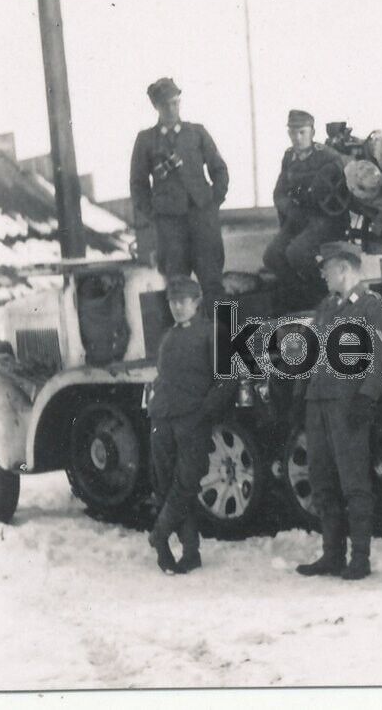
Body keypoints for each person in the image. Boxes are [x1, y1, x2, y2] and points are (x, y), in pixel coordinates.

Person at [295, 242, 382, 580]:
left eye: (327, 267)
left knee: (354, 482)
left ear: (345, 268)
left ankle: (359, 557)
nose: (323, 274)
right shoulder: (326, 307)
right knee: (321, 480)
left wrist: (367, 397)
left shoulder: (371, 305)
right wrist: (301, 395)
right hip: (318, 403)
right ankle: (332, 554)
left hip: (348, 404)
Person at [147, 276, 235, 574]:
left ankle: (159, 535)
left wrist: (204, 411)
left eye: (183, 301)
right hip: (162, 418)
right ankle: (189, 551)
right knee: (166, 484)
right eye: (172, 302)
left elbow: (227, 381)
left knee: (186, 483)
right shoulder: (168, 336)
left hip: (191, 420)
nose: (177, 307)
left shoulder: (212, 332)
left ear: (197, 302)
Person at [130, 77, 229, 315]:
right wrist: (155, 213)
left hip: (203, 220)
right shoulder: (146, 140)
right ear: (156, 106)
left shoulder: (197, 132)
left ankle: (226, 335)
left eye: (175, 103)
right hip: (170, 227)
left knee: (213, 283)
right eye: (166, 105)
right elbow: (138, 185)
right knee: (177, 287)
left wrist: (213, 203)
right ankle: (185, 335)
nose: (172, 109)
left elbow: (219, 169)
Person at [263, 110, 350, 309]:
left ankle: (323, 296)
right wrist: (291, 211)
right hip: (298, 217)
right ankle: (302, 296)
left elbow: (343, 193)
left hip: (326, 219)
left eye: (302, 132)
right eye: (293, 133)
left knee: (297, 253)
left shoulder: (328, 156)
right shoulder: (289, 157)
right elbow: (279, 193)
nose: (298, 137)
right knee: (272, 256)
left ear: (312, 132)